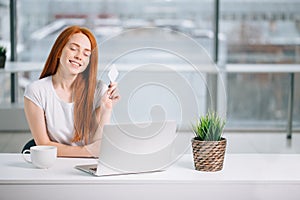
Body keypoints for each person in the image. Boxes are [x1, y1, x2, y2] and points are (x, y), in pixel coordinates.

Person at [23, 25, 120, 158]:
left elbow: (97, 144)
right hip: (51, 163)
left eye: (86, 54)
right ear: (58, 51)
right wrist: (87, 152)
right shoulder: (36, 91)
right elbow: (43, 144)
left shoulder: (99, 90)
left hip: (84, 165)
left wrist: (106, 108)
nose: (79, 56)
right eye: (74, 49)